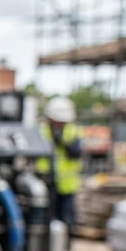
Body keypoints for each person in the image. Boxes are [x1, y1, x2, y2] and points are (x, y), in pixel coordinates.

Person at [37, 96, 83, 227]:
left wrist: (62, 142)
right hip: (45, 183)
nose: (60, 124)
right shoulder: (40, 131)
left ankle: (65, 238)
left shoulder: (72, 131)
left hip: (66, 185)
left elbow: (76, 153)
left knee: (66, 219)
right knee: (45, 219)